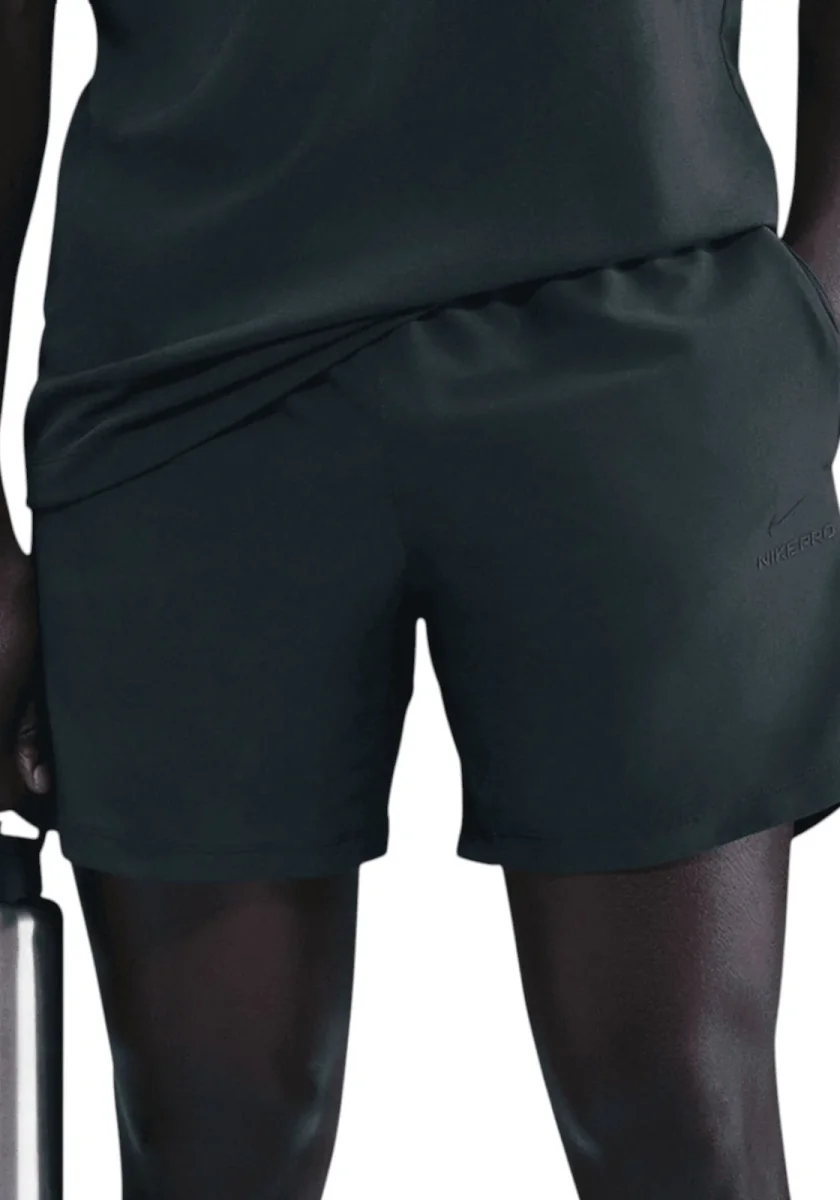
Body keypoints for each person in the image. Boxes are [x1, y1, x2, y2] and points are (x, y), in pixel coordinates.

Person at [2, 0, 840, 1196]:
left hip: (651, 314)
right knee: (215, 1134)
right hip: (187, 357)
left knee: (678, 1116)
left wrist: (821, 310)